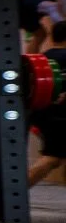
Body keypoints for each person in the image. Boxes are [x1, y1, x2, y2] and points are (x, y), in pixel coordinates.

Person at [30, 24, 66, 187]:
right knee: (52, 158)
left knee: (56, 158)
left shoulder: (42, 58)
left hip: (43, 115)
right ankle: (9, 193)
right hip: (61, 117)